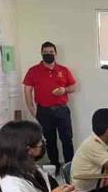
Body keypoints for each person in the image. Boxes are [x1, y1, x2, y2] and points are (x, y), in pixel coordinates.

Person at [23, 41, 76, 174]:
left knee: (67, 139)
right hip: (44, 111)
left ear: (55, 53)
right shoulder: (33, 71)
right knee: (49, 141)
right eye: (45, 52)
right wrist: (32, 109)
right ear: (41, 53)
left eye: (51, 52)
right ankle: (55, 167)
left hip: (62, 110)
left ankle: (70, 167)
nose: (48, 54)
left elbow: (73, 86)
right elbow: (27, 90)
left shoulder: (63, 70)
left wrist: (64, 90)